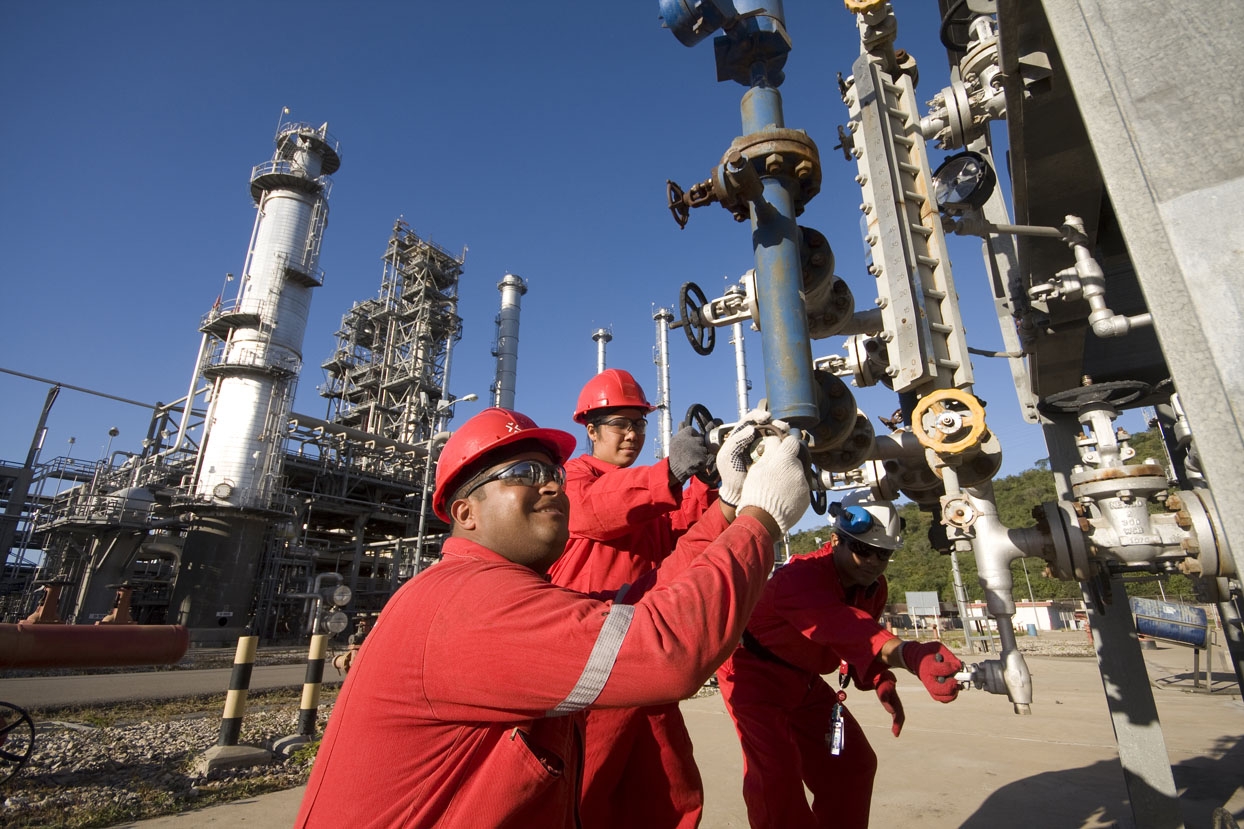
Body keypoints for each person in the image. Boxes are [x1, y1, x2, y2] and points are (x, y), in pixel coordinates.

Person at [295, 406, 810, 829]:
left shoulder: (504, 591)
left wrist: (729, 506)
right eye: (521, 474)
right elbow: (663, 648)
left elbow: (644, 603)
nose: (550, 486)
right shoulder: (470, 603)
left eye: (552, 474)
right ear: (465, 514)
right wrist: (760, 519)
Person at [716, 491, 965, 829]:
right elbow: (846, 627)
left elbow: (857, 636)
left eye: (884, 554)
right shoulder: (800, 577)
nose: (875, 562)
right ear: (836, 540)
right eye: (864, 550)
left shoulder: (874, 587)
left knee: (853, 767)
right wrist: (911, 653)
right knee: (777, 780)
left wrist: (879, 678)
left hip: (804, 681)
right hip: (753, 675)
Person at [548, 369, 717, 829]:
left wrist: (717, 480)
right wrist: (669, 473)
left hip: (644, 653)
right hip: (588, 663)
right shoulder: (574, 478)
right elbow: (595, 509)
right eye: (621, 423)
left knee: (669, 789)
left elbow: (689, 530)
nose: (632, 434)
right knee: (584, 793)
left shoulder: (655, 494)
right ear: (592, 430)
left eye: (639, 424)